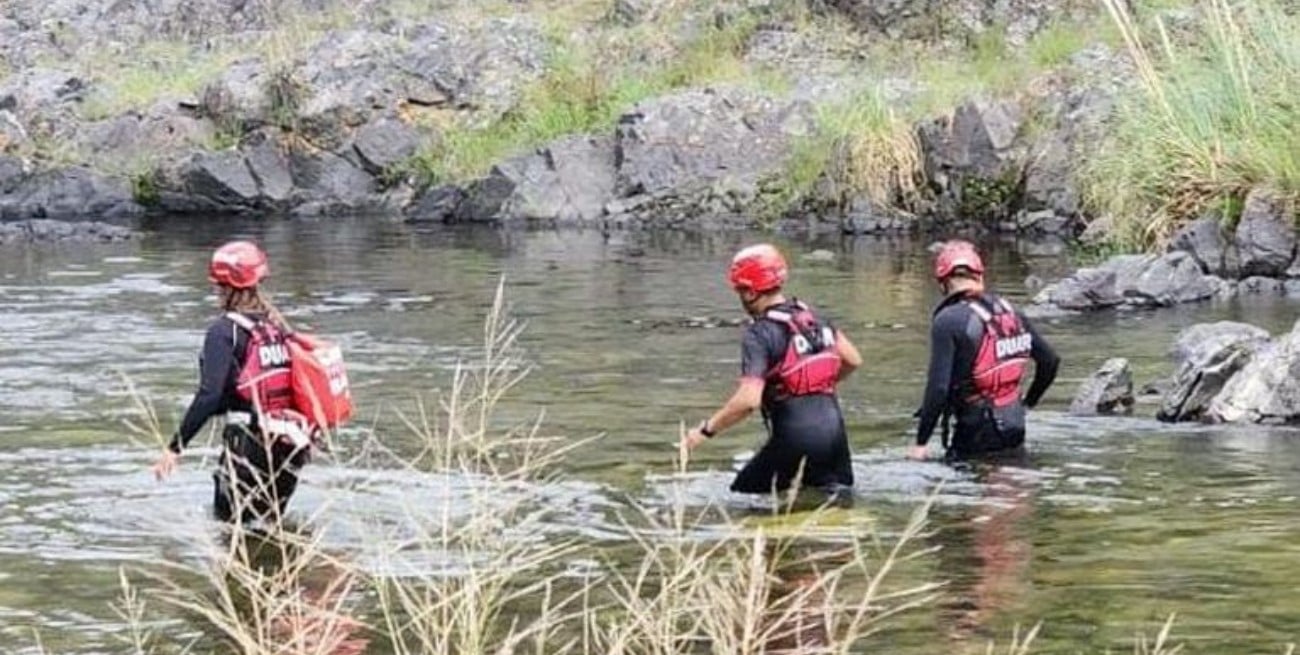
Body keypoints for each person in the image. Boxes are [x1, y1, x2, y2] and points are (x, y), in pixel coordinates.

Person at [681, 243, 863, 503]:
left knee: (741, 503)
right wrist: (815, 383)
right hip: (835, 439)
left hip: (794, 440)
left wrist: (704, 432)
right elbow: (853, 360)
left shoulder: (760, 333)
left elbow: (748, 400)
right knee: (834, 508)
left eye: (740, 290)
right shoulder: (814, 318)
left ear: (751, 292)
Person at [152, 240, 315, 524]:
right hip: (289, 444)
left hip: (248, 445)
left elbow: (210, 395)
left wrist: (175, 447)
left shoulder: (224, 331)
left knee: (231, 531)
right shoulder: (275, 326)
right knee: (269, 526)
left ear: (223, 286)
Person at [910, 240, 1060, 462]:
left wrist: (921, 443)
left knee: (967, 490)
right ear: (979, 276)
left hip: (976, 431)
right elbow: (1050, 361)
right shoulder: (1010, 312)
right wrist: (1027, 403)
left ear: (942, 283)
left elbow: (938, 389)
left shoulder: (948, 320)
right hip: (1015, 425)